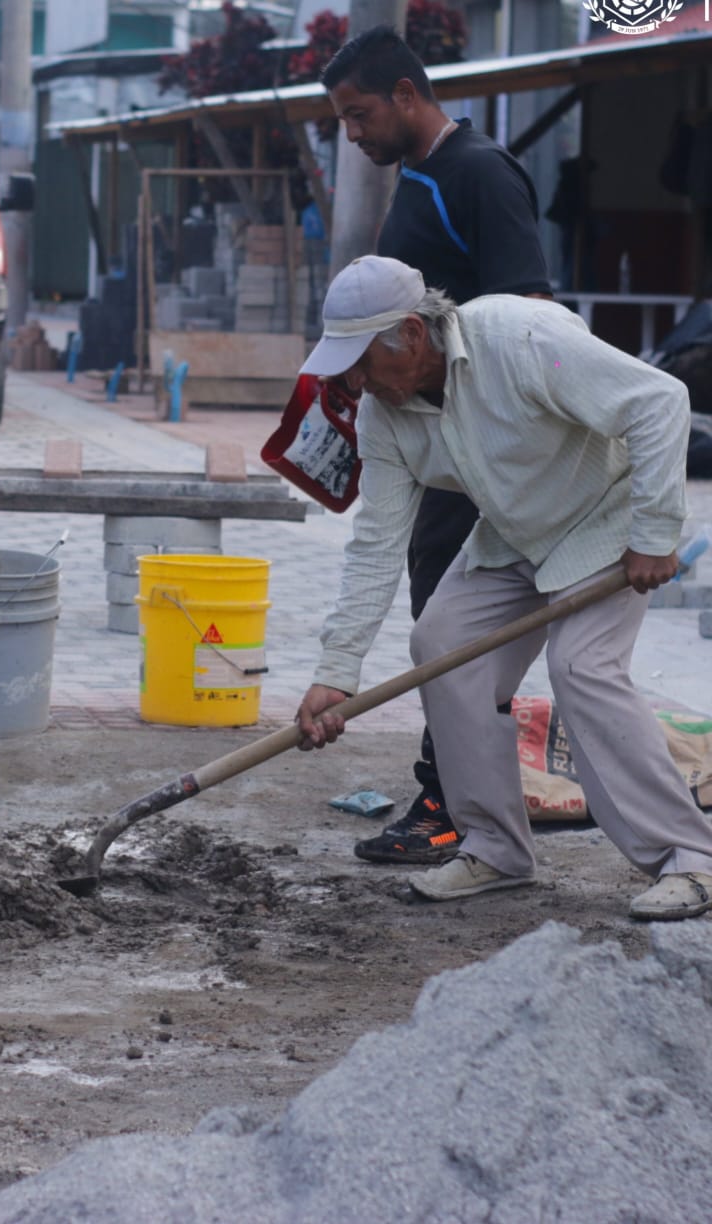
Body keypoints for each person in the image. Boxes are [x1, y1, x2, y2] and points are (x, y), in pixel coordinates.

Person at [294, 255, 712, 921]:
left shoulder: (519, 340)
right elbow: (374, 546)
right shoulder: (384, 417)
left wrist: (657, 531)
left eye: (362, 361)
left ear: (409, 332)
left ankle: (689, 858)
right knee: (441, 639)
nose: (356, 381)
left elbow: (659, 401)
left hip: (607, 518)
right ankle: (494, 846)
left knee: (581, 666)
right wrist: (335, 673)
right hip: (517, 532)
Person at [321, 28, 553, 867]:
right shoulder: (417, 180)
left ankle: (451, 806)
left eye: (359, 114)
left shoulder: (481, 173)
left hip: (483, 443)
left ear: (408, 95)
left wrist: (489, 438)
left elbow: (532, 315)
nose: (352, 134)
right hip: (425, 428)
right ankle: (450, 791)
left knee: (453, 632)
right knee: (431, 610)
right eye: (342, 120)